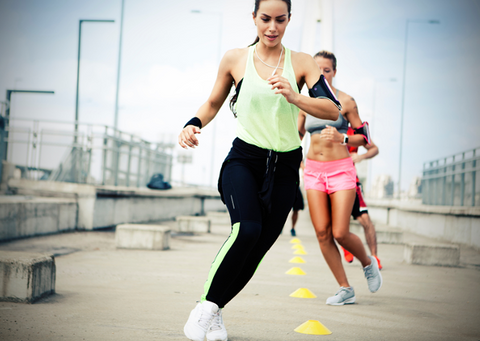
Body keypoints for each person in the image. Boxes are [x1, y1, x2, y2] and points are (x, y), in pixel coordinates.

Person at [178, 2, 339, 340]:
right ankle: (204, 308)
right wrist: (192, 124)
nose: (272, 27)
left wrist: (295, 97)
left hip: (284, 165)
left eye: (280, 20)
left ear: (289, 20)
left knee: (261, 245)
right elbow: (212, 104)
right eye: (265, 19)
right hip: (244, 160)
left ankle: (216, 310)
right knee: (247, 230)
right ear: (253, 18)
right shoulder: (236, 59)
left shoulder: (302, 62)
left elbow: (331, 108)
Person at [298, 50, 382, 306]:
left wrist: (342, 138)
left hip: (341, 170)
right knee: (322, 233)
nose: (322, 74)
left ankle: (368, 263)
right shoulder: (305, 102)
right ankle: (345, 288)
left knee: (340, 232)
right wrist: (296, 163)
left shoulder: (346, 101)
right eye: (317, 69)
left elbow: (365, 138)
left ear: (334, 72)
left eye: (327, 70)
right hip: (313, 171)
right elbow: (296, 135)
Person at [341, 127, 383, 270]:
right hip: (328, 179)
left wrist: (360, 157)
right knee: (333, 222)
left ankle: (375, 257)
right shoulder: (327, 123)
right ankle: (344, 244)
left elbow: (374, 149)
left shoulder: (356, 130)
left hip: (351, 178)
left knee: (366, 220)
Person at [290, 162, 304, 236]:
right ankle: (279, 226)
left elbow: (303, 167)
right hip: (285, 185)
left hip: (296, 186)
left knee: (296, 209)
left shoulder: (300, 163)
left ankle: (293, 228)